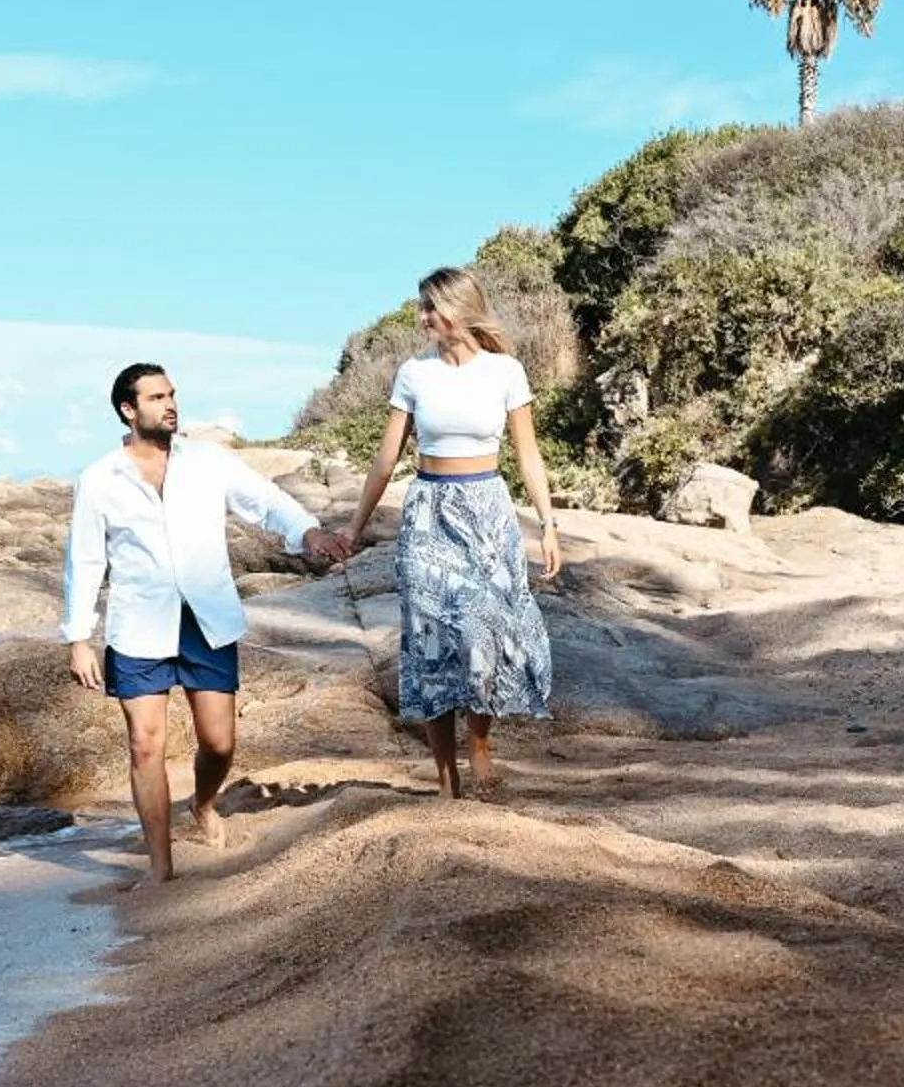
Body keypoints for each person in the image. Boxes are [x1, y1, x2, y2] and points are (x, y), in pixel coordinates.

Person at [62, 362, 347, 884]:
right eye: (155, 398)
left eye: (171, 394)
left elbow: (265, 501)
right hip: (139, 628)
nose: (169, 405)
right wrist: (79, 637)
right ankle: (160, 866)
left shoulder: (208, 461)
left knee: (218, 743)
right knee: (145, 744)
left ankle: (204, 802)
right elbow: (84, 560)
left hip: (206, 620)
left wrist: (307, 532)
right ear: (129, 410)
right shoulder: (100, 478)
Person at [334, 267, 559, 799]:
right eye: (421, 307)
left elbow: (528, 454)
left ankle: (478, 744)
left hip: (486, 510)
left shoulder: (504, 371)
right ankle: (444, 772)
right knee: (432, 640)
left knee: (485, 632)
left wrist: (548, 525)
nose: (422, 318)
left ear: (458, 310)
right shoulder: (415, 373)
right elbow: (386, 459)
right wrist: (355, 526)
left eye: (430, 308)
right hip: (429, 510)